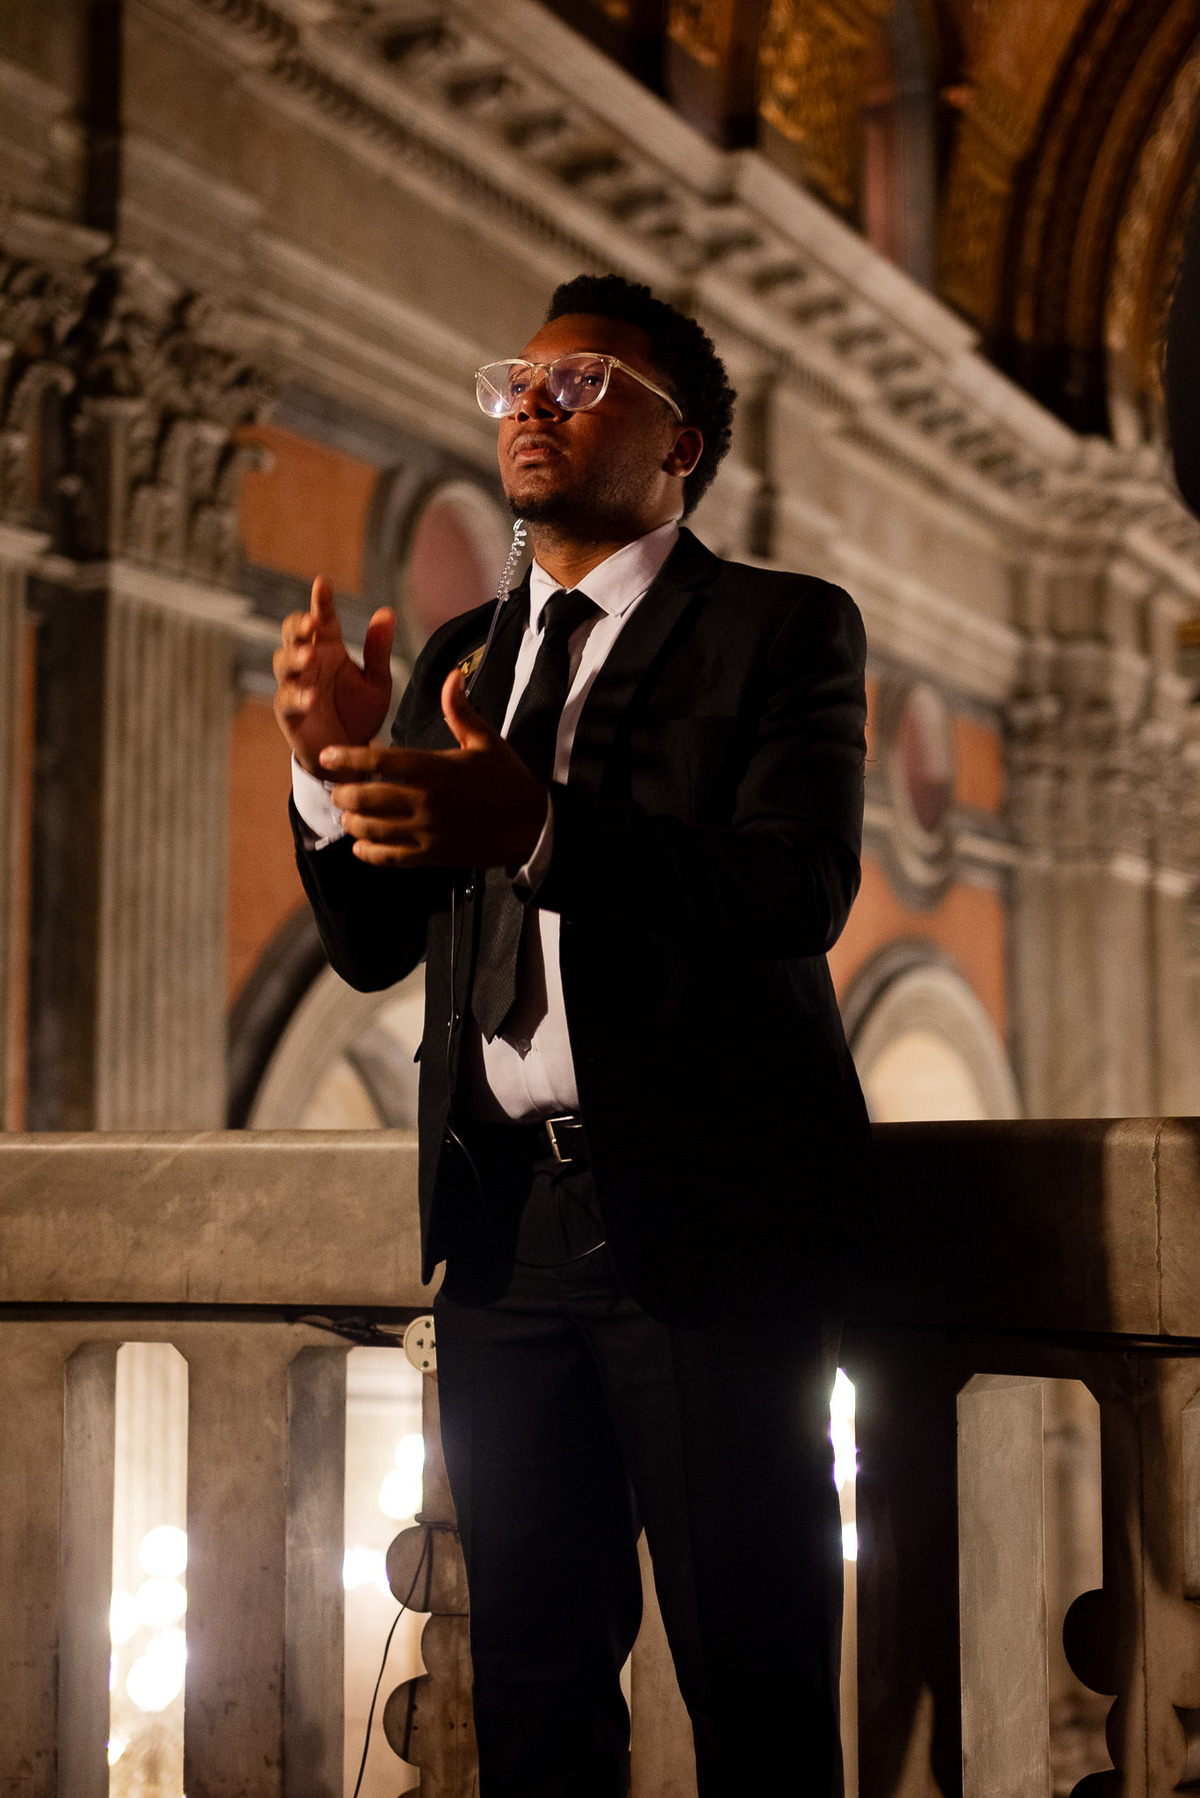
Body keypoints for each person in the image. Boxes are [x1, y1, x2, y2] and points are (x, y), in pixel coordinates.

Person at [273, 273, 871, 1797]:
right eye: (516, 383)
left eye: (584, 382)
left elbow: (792, 886)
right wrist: (332, 778)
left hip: (712, 1226)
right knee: (530, 1684)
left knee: (755, 1680)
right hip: (500, 1232)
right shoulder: (464, 651)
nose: (530, 403)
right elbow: (370, 946)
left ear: (679, 448)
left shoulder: (781, 629)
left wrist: (541, 825)